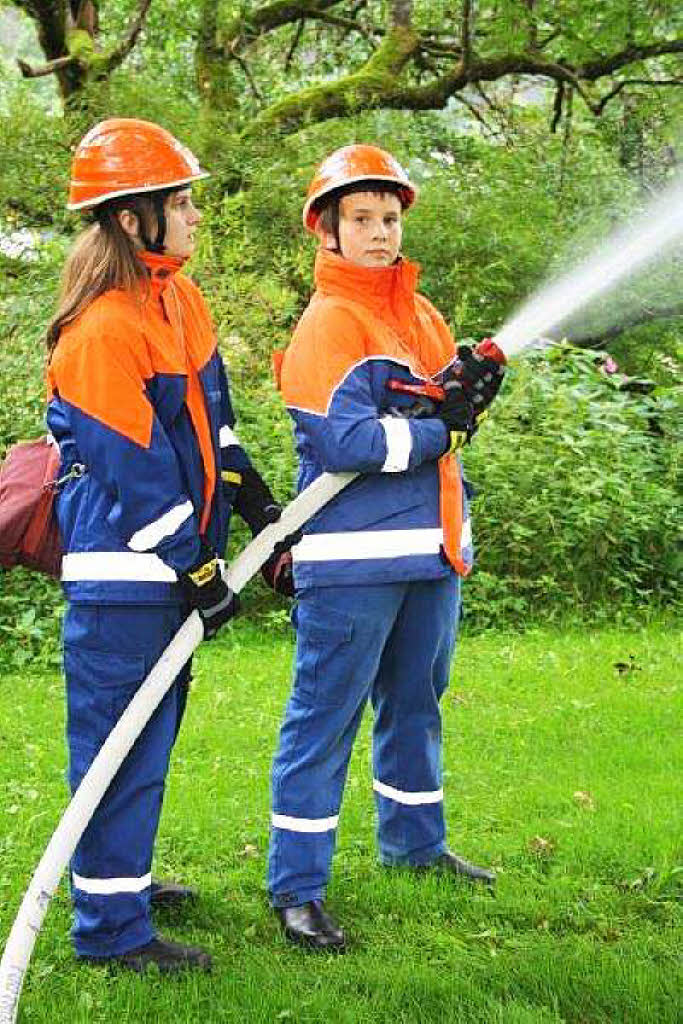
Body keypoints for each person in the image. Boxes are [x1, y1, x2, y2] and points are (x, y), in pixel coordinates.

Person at [47, 118, 291, 972]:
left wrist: (252, 494)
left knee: (147, 743)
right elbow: (131, 470)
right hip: (125, 578)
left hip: (172, 569)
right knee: (118, 750)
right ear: (128, 219)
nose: (193, 215)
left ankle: (125, 882)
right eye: (178, 202)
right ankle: (110, 935)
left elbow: (208, 425)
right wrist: (193, 563)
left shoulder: (177, 300)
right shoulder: (101, 330)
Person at [267, 144, 506, 951]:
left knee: (415, 707)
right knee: (322, 722)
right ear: (326, 232)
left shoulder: (420, 312)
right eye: (361, 219)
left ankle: (415, 846)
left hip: (431, 554)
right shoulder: (328, 321)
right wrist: (441, 427)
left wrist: (466, 396)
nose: (379, 232)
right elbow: (343, 441)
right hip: (350, 565)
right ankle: (296, 888)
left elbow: (442, 413)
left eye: (389, 218)